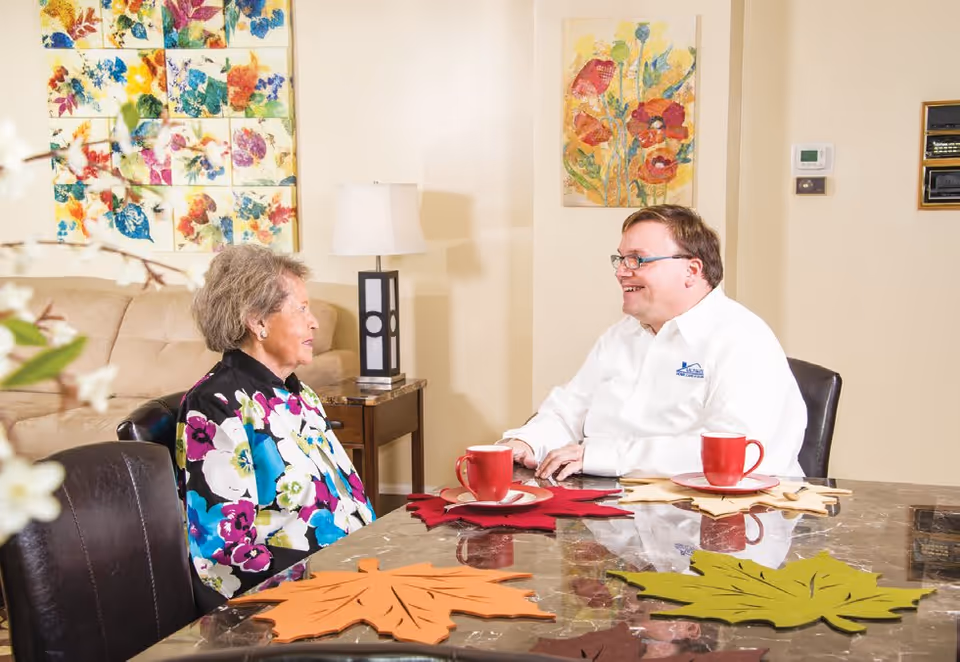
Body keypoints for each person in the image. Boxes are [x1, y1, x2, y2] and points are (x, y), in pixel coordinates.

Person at [498, 204, 806, 480]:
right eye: (621, 259)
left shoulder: (742, 338)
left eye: (638, 260)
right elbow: (568, 411)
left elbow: (733, 452)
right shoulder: (622, 335)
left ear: (692, 270)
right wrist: (526, 441)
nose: (621, 271)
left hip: (726, 524)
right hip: (616, 513)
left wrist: (602, 456)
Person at [177, 245, 375, 611]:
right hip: (295, 598)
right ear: (258, 321)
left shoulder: (298, 393)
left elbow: (348, 500)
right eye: (300, 309)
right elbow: (225, 551)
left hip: (356, 575)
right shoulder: (216, 405)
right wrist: (334, 580)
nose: (313, 321)